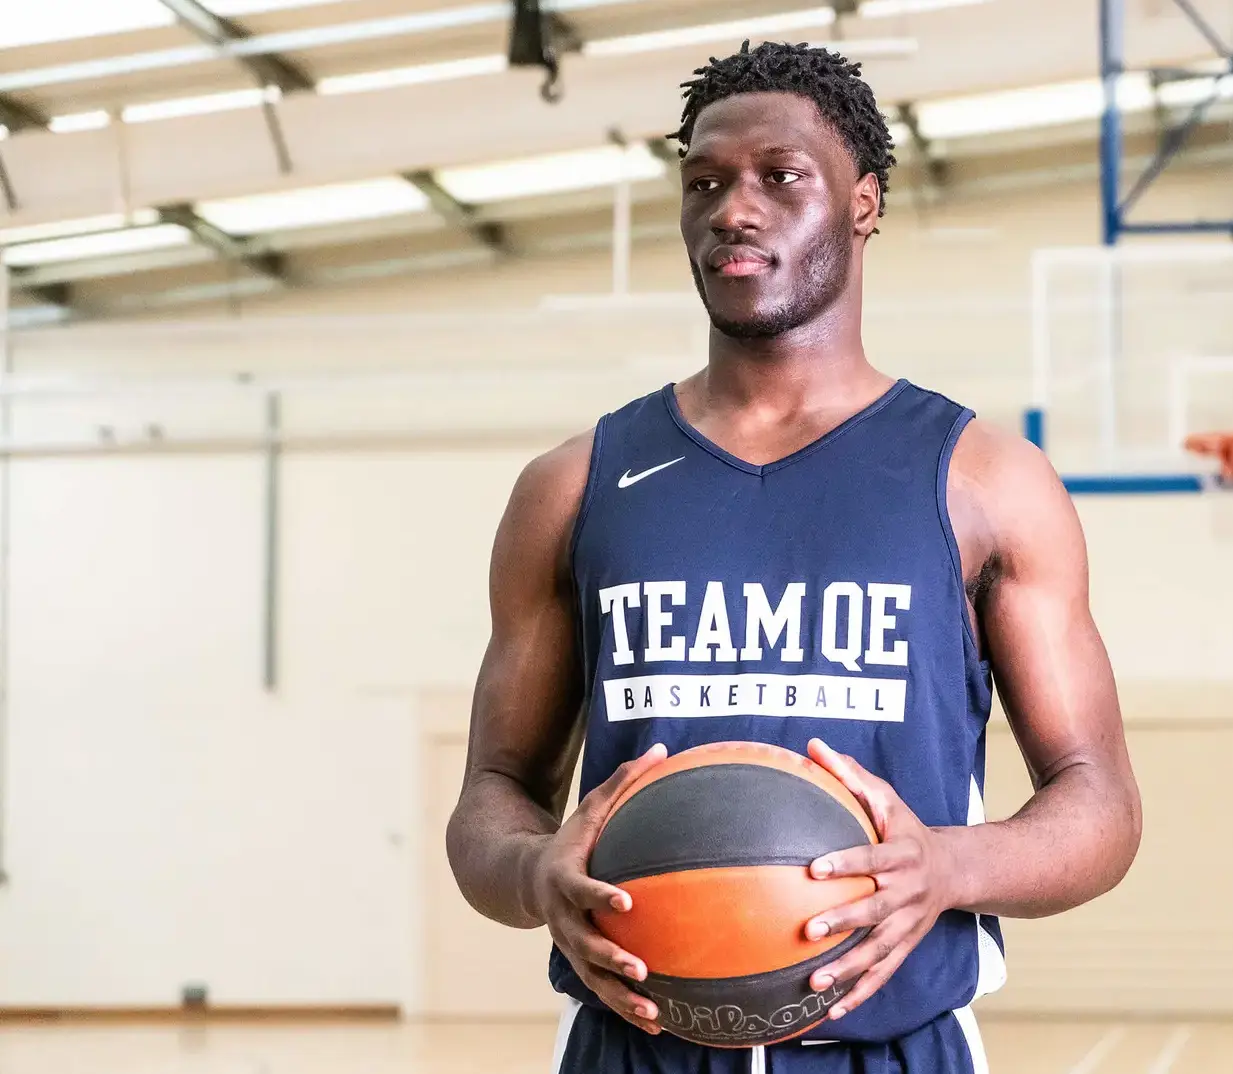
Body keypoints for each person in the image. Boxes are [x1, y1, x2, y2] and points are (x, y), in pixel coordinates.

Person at [446, 40, 1142, 1074]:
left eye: (781, 177)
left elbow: (1100, 804)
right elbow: (491, 797)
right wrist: (531, 871)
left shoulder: (983, 482)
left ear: (863, 204)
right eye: (705, 182)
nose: (734, 207)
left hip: (890, 1047)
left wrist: (945, 866)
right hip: (634, 1045)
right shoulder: (574, 484)